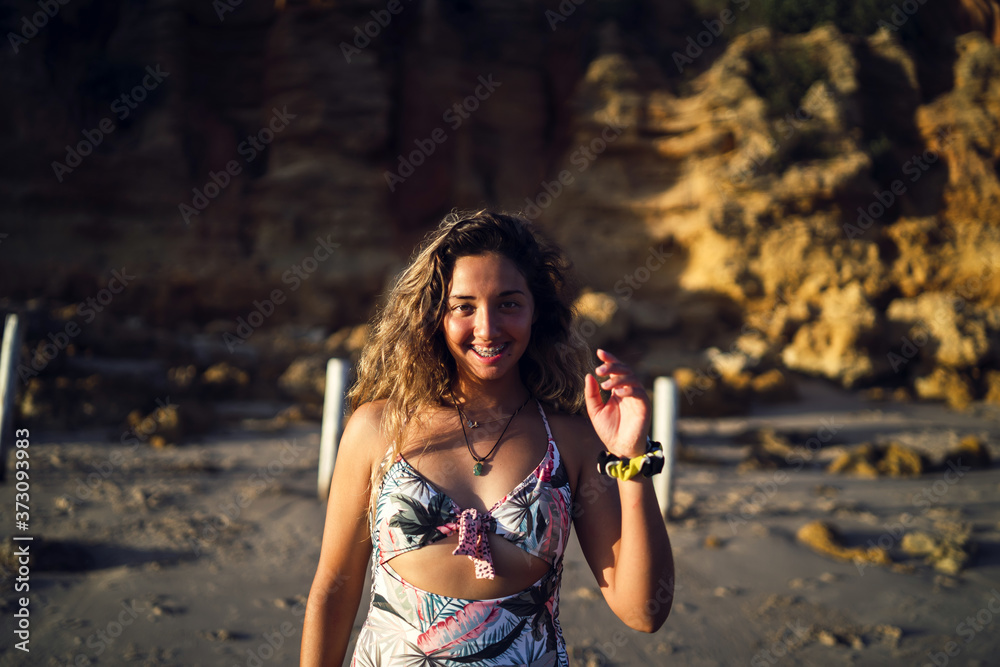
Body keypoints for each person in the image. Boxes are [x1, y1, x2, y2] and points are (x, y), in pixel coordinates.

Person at [301, 211, 674, 666]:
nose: (487, 327)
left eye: (509, 303)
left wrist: (631, 457)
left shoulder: (571, 440)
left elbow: (643, 612)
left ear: (537, 311)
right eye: (464, 306)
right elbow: (333, 593)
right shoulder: (378, 429)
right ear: (435, 315)